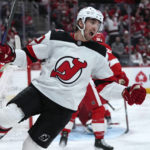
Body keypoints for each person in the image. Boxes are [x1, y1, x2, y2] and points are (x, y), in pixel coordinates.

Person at [0, 7, 146, 150]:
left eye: (98, 24)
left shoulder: (100, 52)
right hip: (39, 92)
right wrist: (11, 55)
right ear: (81, 22)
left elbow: (105, 85)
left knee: (31, 147)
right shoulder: (56, 37)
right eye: (92, 22)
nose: (95, 27)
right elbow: (29, 55)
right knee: (6, 116)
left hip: (64, 107)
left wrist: (125, 92)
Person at [59, 32, 129, 150]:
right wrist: (122, 79)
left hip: (73, 82)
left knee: (74, 108)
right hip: (88, 82)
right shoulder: (104, 50)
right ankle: (99, 140)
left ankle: (64, 134)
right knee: (99, 108)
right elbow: (115, 66)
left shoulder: (80, 47)